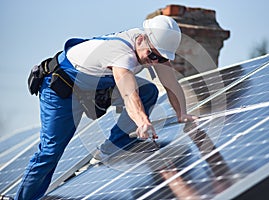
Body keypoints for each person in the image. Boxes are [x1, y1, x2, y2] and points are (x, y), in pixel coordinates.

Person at [15, 15, 197, 200]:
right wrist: (142, 121)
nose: (154, 61)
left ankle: (112, 147)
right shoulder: (121, 53)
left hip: (94, 86)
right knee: (51, 151)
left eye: (160, 58)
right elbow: (128, 93)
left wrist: (181, 112)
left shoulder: (152, 48)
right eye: (152, 55)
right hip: (61, 89)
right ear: (142, 38)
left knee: (148, 90)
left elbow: (171, 83)